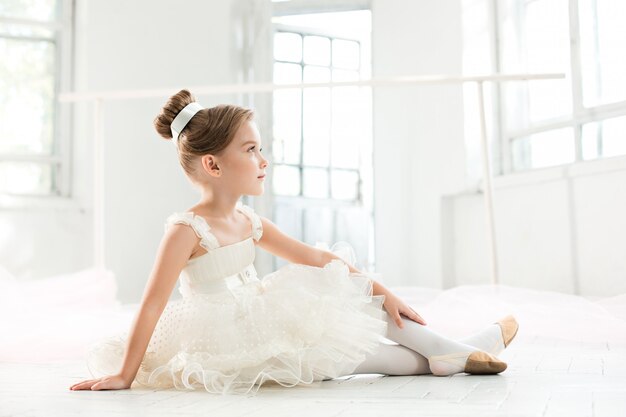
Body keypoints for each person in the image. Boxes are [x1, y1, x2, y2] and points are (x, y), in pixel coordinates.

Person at [69, 89, 518, 395]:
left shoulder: (247, 219)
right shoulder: (185, 231)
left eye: (260, 149)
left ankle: (450, 352)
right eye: (250, 150)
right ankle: (454, 351)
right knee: (353, 357)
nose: (263, 161)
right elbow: (151, 304)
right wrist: (125, 374)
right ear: (212, 164)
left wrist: (385, 295)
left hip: (263, 316)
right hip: (227, 341)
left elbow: (318, 258)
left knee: (337, 283)